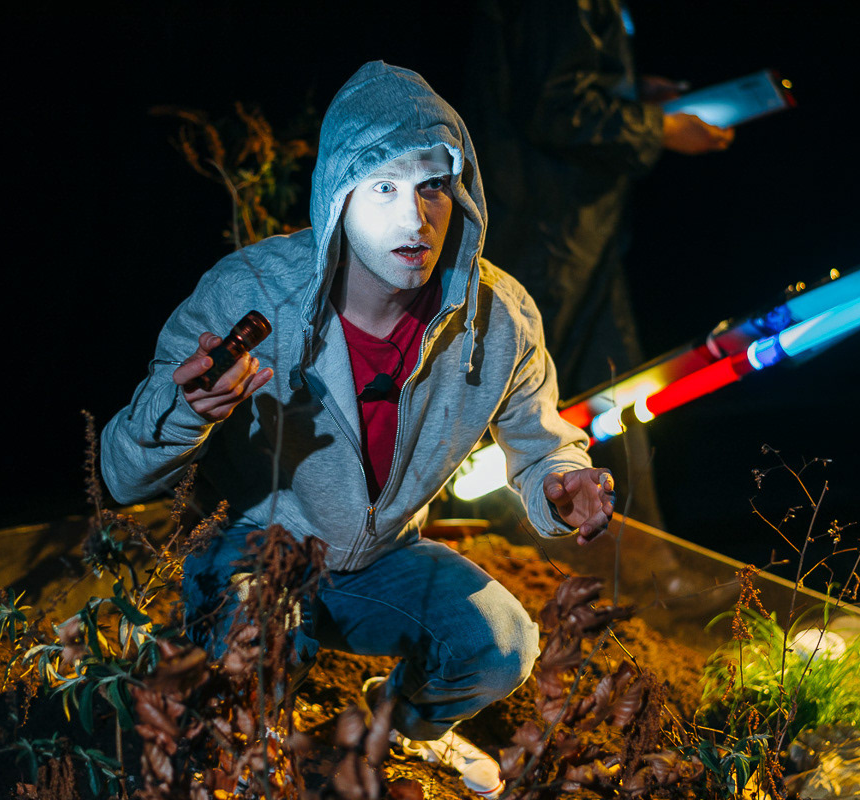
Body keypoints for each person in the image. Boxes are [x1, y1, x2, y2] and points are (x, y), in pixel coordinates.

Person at [100, 61, 615, 798]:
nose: (415, 218)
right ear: (337, 193)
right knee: (255, 655)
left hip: (379, 561)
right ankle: (242, 742)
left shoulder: (498, 317)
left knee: (501, 645)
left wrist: (563, 481)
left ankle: (395, 726)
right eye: (383, 187)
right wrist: (188, 411)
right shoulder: (251, 294)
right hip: (257, 552)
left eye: (432, 185)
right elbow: (120, 475)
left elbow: (542, 442)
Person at [464, 0, 734, 528]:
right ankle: (506, 547)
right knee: (520, 399)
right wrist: (658, 128)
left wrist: (631, 94)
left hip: (582, 231)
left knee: (622, 393)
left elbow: (559, 80)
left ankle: (640, 558)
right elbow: (553, 105)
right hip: (545, 228)